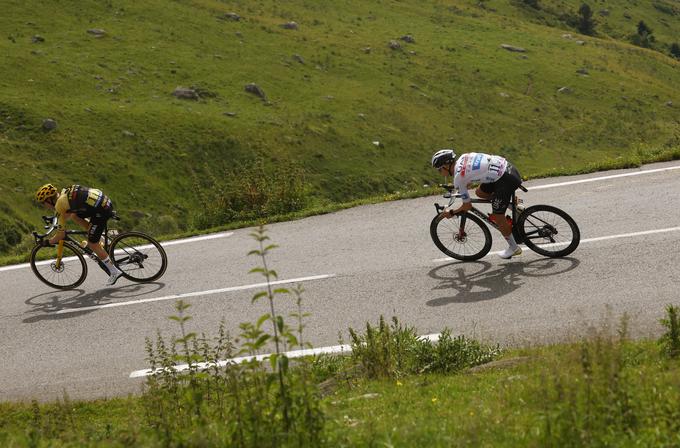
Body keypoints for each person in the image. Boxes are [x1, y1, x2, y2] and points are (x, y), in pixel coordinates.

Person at [431, 149, 523, 259]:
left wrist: (451, 212)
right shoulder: (463, 157)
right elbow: (471, 175)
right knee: (480, 193)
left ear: (446, 165)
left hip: (505, 180)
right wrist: (460, 186)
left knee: (498, 217)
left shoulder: (459, 178)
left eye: (439, 170)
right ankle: (513, 207)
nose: (440, 173)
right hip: (507, 169)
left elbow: (467, 206)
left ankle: (514, 248)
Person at [35, 183, 123, 285]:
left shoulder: (59, 205)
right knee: (74, 215)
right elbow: (68, 214)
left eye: (43, 203)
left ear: (49, 200)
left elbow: (61, 235)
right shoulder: (65, 193)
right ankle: (101, 237)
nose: (44, 206)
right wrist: (57, 218)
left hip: (101, 211)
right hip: (103, 201)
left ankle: (114, 271)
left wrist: (47, 242)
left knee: (92, 244)